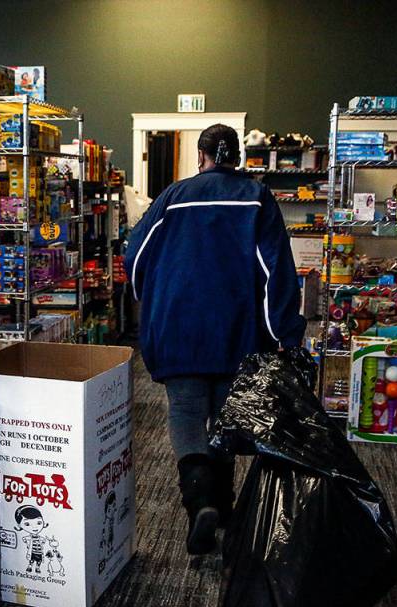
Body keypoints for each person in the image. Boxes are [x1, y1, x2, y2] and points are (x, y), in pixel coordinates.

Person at [124, 124, 305, 555]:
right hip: (236, 330)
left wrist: (147, 299)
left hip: (177, 326)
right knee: (226, 417)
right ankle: (222, 508)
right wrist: (285, 332)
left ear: (201, 156)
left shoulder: (172, 197)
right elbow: (275, 270)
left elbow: (135, 255)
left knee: (186, 412)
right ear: (237, 156)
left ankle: (201, 500)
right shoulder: (257, 197)